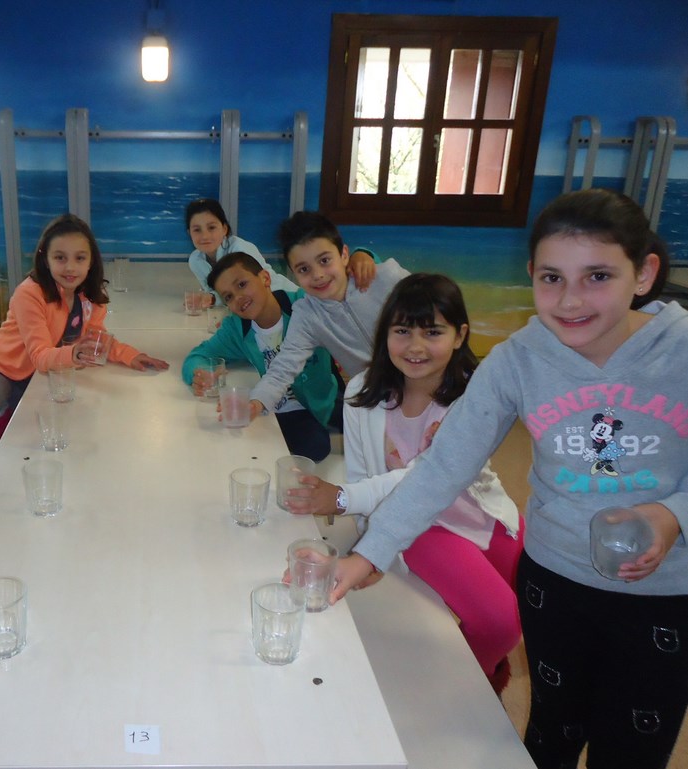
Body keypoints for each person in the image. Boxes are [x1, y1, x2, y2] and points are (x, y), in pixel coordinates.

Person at [330, 189, 686, 769]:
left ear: (643, 273)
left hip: (664, 595)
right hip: (555, 579)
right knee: (550, 733)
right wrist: (369, 553)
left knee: (632, 749)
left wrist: (674, 515)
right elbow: (443, 467)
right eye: (551, 278)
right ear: (532, 275)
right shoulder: (519, 359)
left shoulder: (680, 351)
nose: (570, 300)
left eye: (597, 276)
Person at [286, 273, 523, 692]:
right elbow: (369, 477)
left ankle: (483, 675)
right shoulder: (361, 392)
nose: (415, 346)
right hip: (420, 525)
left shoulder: (476, 395)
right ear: (385, 334)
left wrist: (341, 499)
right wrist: (373, 548)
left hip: (484, 511)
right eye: (402, 331)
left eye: (432, 332)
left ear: (459, 335)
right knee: (501, 620)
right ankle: (474, 691)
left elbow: (432, 472)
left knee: (529, 606)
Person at [0, 213, 169, 427]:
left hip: (50, 367)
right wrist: (75, 353)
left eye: (80, 258)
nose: (70, 267)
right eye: (60, 258)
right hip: (7, 368)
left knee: (69, 415)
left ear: (91, 261)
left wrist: (131, 356)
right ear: (46, 259)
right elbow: (40, 356)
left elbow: (96, 339)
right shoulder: (29, 293)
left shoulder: (91, 295)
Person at [248, 210, 410, 421]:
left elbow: (438, 311)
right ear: (293, 273)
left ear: (344, 255)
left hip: (428, 380)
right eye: (304, 269)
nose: (318, 275)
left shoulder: (387, 278)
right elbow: (283, 367)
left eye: (324, 260)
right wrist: (255, 403)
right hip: (379, 401)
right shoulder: (307, 315)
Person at [181, 251, 341, 461]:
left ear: (265, 278)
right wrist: (200, 373)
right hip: (280, 407)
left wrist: (363, 257)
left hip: (325, 398)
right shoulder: (236, 329)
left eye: (242, 284)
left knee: (368, 420)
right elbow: (198, 355)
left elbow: (344, 290)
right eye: (228, 297)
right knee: (314, 447)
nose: (238, 298)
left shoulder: (303, 305)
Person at [184, 197, 378, 305]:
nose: (204, 236)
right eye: (197, 230)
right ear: (189, 233)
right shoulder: (195, 261)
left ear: (225, 229)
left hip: (283, 298)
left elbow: (254, 290)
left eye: (212, 227)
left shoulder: (240, 250)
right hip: (251, 308)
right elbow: (216, 291)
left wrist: (363, 254)